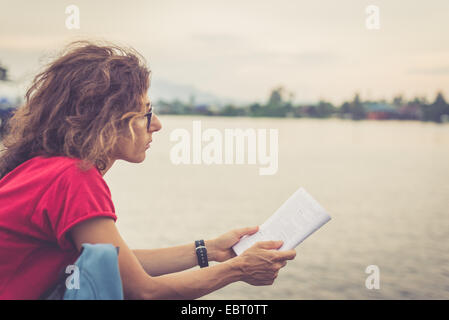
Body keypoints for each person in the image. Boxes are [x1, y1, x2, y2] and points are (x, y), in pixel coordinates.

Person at [0, 41, 296, 300]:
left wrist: (209, 250)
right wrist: (238, 270)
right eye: (145, 113)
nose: (156, 124)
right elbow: (142, 292)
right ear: (106, 119)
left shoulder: (42, 167)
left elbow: (121, 266)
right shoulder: (73, 177)